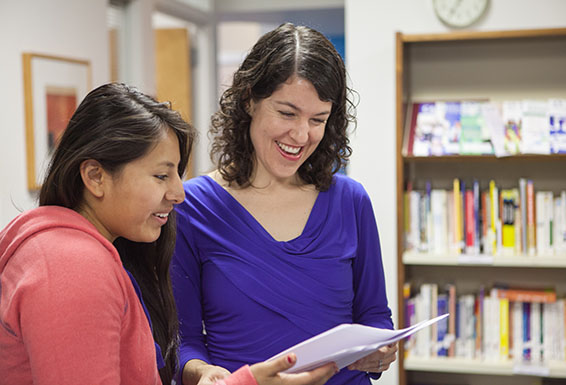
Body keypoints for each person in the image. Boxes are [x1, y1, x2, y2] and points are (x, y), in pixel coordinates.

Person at [0, 82, 337, 385]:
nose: (179, 193)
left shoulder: (66, 249)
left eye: (177, 174)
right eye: (161, 176)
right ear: (95, 176)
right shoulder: (71, 267)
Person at [171, 22, 398, 385]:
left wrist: (380, 351)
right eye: (287, 113)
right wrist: (202, 374)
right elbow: (183, 344)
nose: (301, 135)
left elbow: (374, 317)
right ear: (249, 100)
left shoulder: (350, 201)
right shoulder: (192, 207)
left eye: (318, 120)